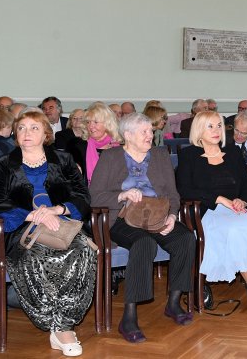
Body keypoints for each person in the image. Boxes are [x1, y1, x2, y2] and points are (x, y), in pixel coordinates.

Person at [0, 110, 96, 357]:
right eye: (22, 128)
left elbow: (83, 196)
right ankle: (60, 327)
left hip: (62, 225)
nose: (27, 133)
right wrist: (32, 215)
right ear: (15, 133)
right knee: (34, 257)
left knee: (82, 250)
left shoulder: (64, 159)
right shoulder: (3, 164)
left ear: (46, 133)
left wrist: (58, 209)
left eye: (34, 128)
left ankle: (62, 324)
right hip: (23, 228)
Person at [90, 113, 195, 343]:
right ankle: (129, 316)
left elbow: (172, 193)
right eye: (144, 132)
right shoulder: (111, 156)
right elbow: (95, 196)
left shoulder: (160, 155)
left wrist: (171, 215)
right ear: (127, 135)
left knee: (185, 239)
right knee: (143, 243)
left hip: (157, 216)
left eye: (151, 131)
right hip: (121, 219)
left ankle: (174, 303)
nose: (151, 135)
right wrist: (121, 195)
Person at [176, 111, 247, 313]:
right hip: (208, 213)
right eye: (210, 126)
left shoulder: (233, 152)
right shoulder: (188, 155)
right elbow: (185, 189)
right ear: (199, 130)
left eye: (219, 125)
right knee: (238, 231)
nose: (217, 130)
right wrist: (219, 199)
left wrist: (242, 199)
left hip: (237, 210)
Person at [67, 102, 121, 183]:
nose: (91, 126)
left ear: (107, 124)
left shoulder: (119, 148)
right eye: (88, 122)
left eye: (95, 122)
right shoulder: (78, 147)